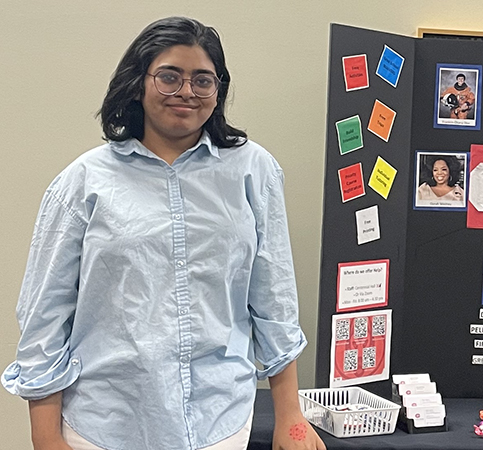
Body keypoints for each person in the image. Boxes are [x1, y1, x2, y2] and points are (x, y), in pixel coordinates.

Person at [2, 17, 325, 450]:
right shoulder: (82, 183)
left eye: (202, 80)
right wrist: (46, 439)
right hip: (105, 424)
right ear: (138, 82)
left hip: (221, 421)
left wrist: (290, 415)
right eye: (169, 77)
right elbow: (45, 317)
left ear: (219, 90)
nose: (186, 91)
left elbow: (274, 299)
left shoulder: (253, 170)